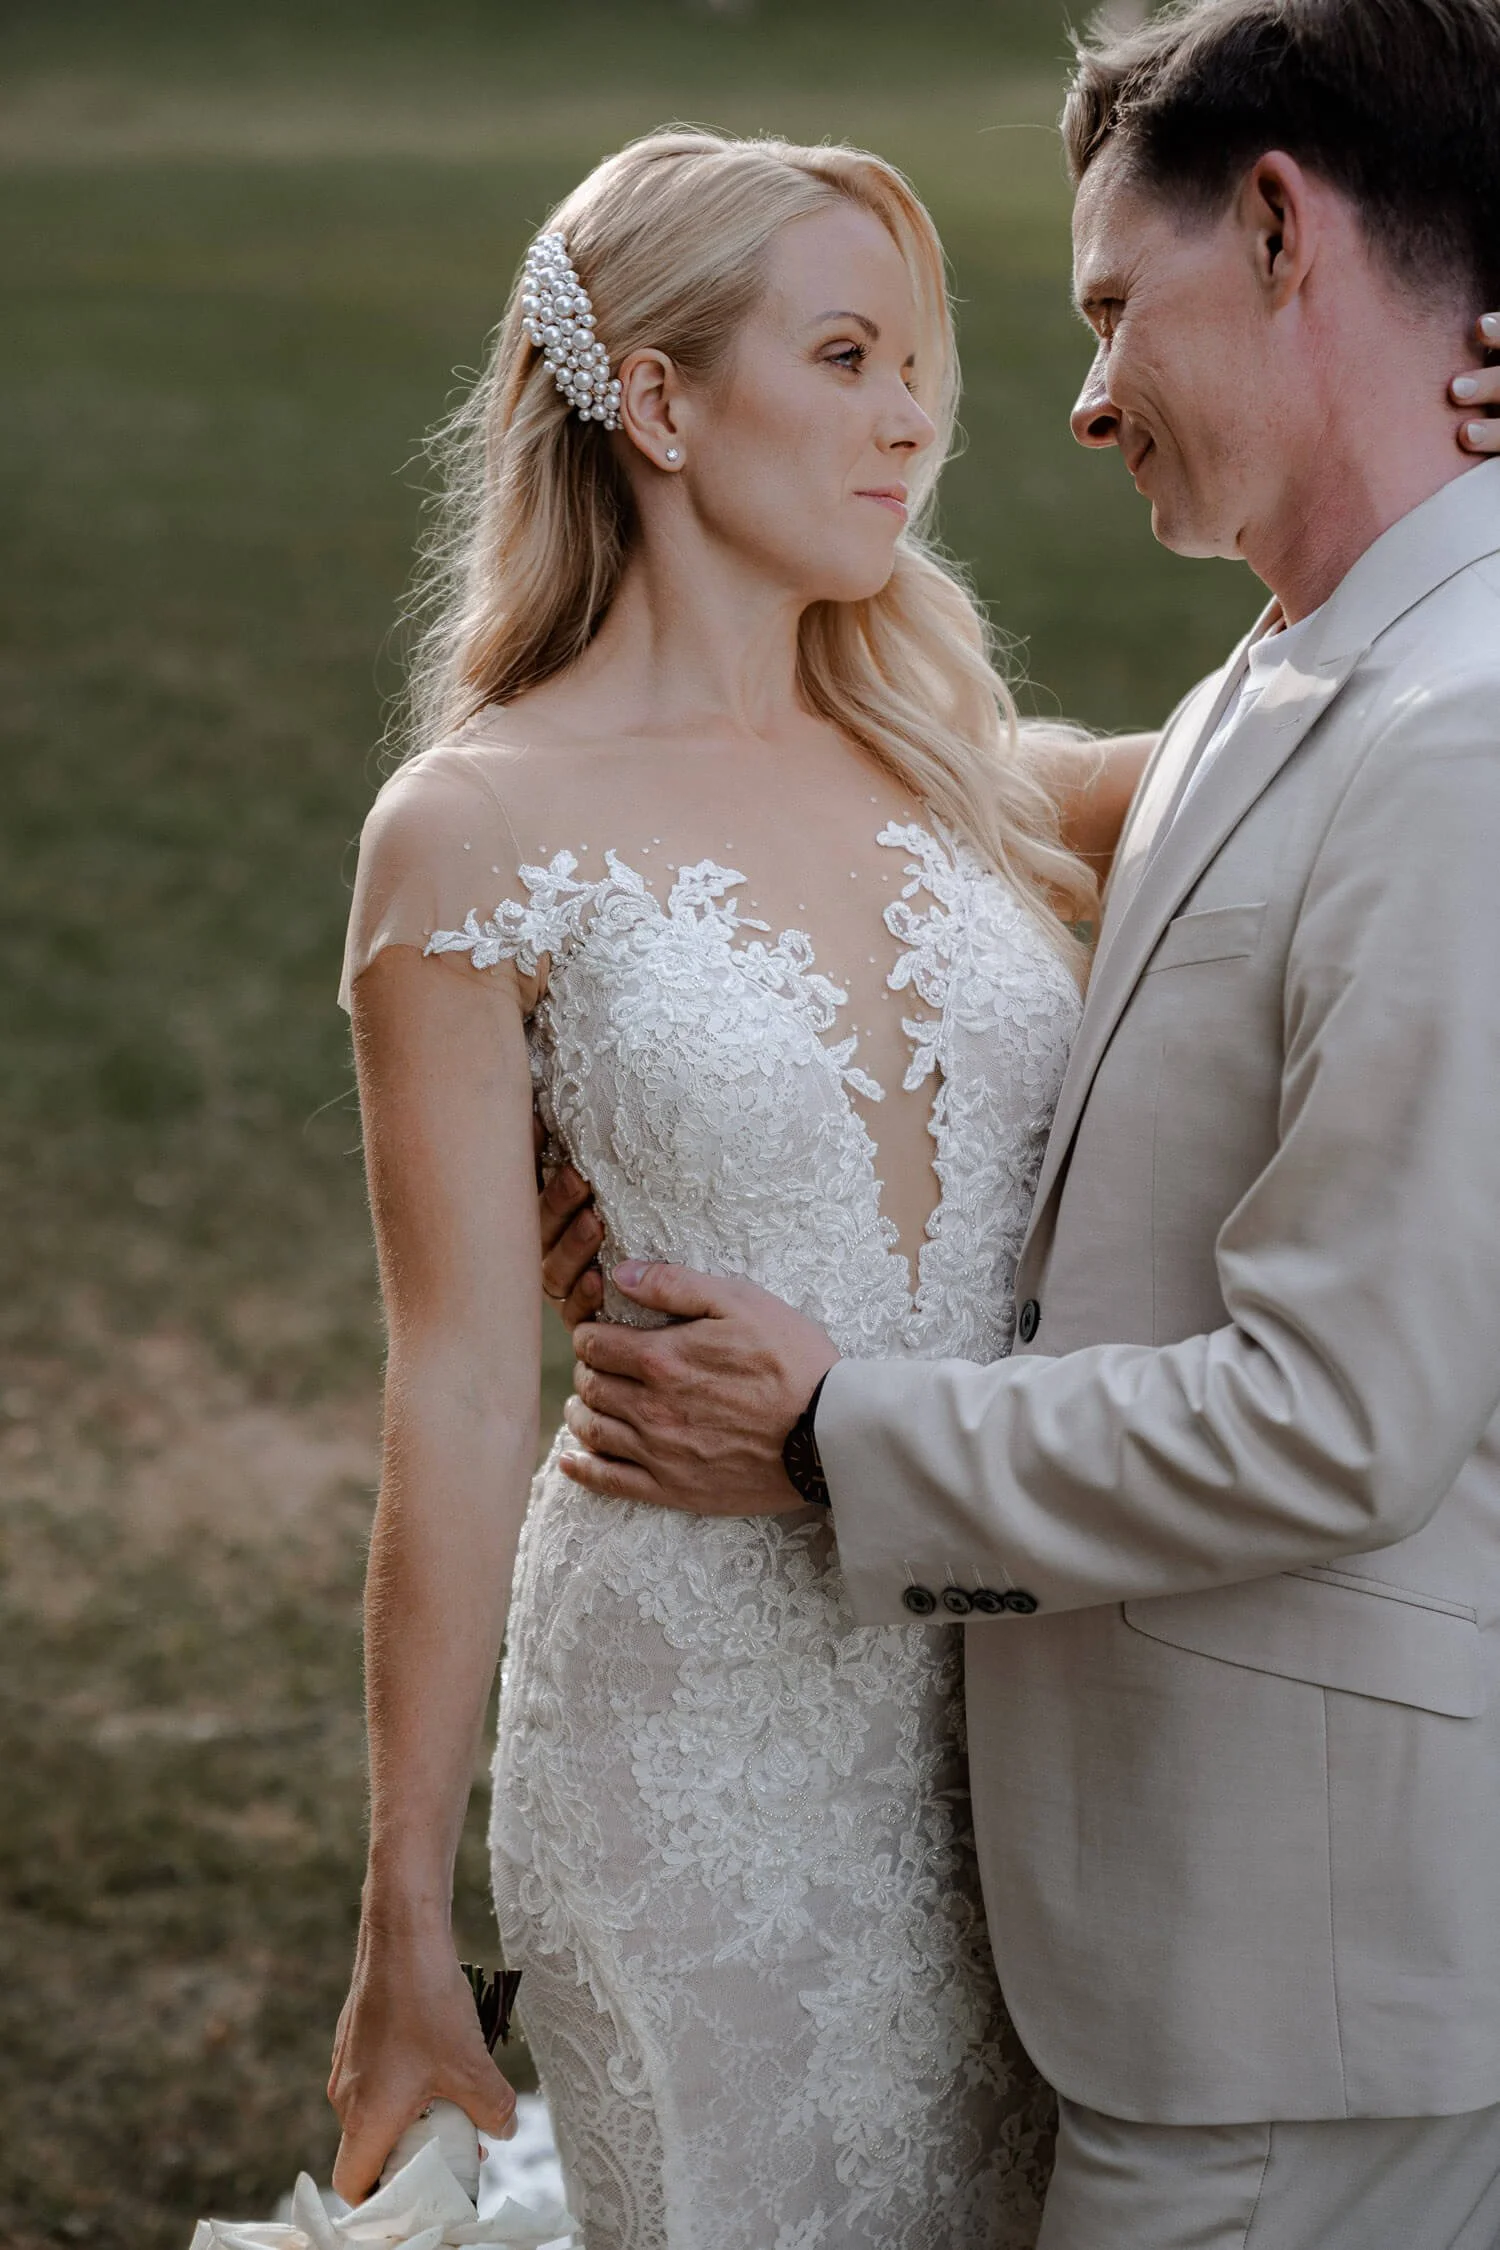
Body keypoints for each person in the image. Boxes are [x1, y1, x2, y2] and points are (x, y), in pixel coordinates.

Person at [543, 5, 1500, 2247]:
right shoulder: (1321, 657)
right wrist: (637, 946)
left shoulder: (1459, 736)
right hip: (1164, 1933)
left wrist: (826, 1428)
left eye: (1106, 308)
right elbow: (1062, 828)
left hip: (1307, 1992)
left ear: (1279, 232)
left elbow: (1341, 1418)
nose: (1076, 404)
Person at [328, 128, 1159, 2247]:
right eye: (849, 352)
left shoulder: (978, 772)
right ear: (665, 402)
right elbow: (451, 1386)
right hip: (682, 1738)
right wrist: (401, 1918)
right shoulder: (472, 830)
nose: (914, 417)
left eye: (921, 365)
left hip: (1022, 1700)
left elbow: (1373, 723)